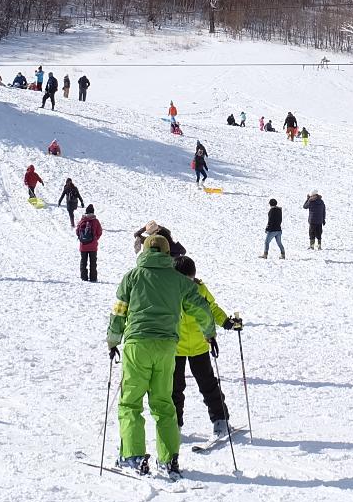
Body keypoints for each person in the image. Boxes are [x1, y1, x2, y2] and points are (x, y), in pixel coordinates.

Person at [107, 226, 217, 478]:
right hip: (167, 347)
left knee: (131, 402)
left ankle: (133, 456)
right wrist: (209, 333)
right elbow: (200, 306)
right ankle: (168, 460)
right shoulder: (178, 280)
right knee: (164, 403)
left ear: (144, 251)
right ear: (168, 253)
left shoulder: (131, 277)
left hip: (137, 345)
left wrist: (113, 340)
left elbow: (119, 311)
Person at [171, 255, 242, 442]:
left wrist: (226, 322)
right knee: (174, 388)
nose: (189, 283)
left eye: (191, 279)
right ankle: (173, 423)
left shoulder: (200, 288)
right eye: (185, 280)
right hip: (175, 348)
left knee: (208, 384)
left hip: (199, 345)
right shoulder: (168, 291)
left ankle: (220, 420)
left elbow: (212, 308)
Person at [76, 205, 103, 282]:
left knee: (83, 261)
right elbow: (99, 232)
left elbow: (77, 232)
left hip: (83, 246)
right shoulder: (95, 221)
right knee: (93, 262)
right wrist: (95, 239)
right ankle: (93, 278)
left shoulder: (82, 220)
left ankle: (84, 277)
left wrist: (83, 239)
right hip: (93, 246)